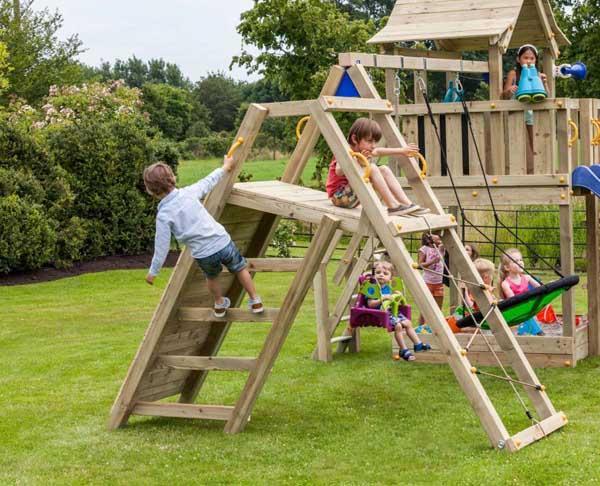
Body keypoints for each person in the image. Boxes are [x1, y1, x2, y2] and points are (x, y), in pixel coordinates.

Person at [143, 157, 263, 318]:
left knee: (211, 277)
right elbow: (208, 181)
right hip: (222, 242)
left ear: (150, 190)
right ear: (173, 178)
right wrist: (225, 167)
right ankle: (255, 300)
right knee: (240, 268)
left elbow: (161, 246)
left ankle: (219, 303)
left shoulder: (163, 215)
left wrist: (153, 272)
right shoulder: (189, 192)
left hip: (204, 254)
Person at [325, 117, 428, 215]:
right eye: (370, 141)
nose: (373, 145)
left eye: (375, 141)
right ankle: (392, 206)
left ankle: (407, 204)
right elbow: (338, 171)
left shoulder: (364, 149)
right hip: (338, 197)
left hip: (353, 195)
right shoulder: (345, 150)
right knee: (372, 168)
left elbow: (378, 151)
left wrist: (402, 151)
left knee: (384, 169)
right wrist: (357, 160)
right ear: (355, 139)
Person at [366, 261, 431, 361]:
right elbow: (370, 304)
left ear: (390, 277)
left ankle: (418, 344)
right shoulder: (371, 288)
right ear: (374, 275)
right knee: (398, 326)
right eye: (378, 273)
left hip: (391, 312)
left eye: (385, 273)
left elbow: (393, 300)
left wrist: (396, 295)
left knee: (408, 323)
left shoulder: (388, 287)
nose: (381, 275)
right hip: (379, 314)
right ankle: (403, 350)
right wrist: (382, 298)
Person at [501, 44, 549, 171]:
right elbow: (504, 94)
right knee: (516, 141)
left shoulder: (537, 75)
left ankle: (536, 168)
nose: (528, 61)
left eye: (532, 58)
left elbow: (546, 95)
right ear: (518, 59)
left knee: (535, 141)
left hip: (532, 112)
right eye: (525, 58)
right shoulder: (514, 74)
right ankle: (516, 168)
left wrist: (544, 82)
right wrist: (510, 90)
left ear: (535, 60)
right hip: (515, 112)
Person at [499, 248, 544, 336]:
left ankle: (525, 332)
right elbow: (513, 300)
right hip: (516, 309)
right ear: (507, 267)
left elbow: (541, 288)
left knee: (528, 321)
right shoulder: (505, 284)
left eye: (521, 260)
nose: (520, 262)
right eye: (515, 261)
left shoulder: (527, 278)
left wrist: (551, 285)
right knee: (527, 318)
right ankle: (538, 333)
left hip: (529, 307)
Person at [418, 232, 445, 327]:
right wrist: (432, 261)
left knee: (438, 308)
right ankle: (420, 327)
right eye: (435, 234)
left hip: (439, 283)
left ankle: (436, 327)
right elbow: (420, 265)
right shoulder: (424, 249)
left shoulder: (441, 248)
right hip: (427, 282)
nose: (439, 235)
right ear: (429, 238)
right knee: (425, 307)